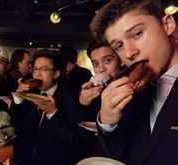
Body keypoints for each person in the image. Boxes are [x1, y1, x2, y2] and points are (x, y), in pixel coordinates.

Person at [90, 0, 178, 164]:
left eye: (137, 34)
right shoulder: (133, 92)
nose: (129, 53)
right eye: (119, 46)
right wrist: (107, 123)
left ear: (168, 24)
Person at [10, 49, 88, 165]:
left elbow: (74, 139)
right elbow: (15, 123)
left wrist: (53, 113)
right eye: (35, 69)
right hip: (24, 160)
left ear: (56, 74)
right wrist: (19, 97)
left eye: (44, 69)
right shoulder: (30, 93)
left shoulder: (69, 99)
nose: (37, 73)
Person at [79, 40, 122, 121]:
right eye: (96, 64)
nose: (101, 69)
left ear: (121, 61)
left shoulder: (134, 88)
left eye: (107, 60)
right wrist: (84, 103)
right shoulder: (97, 91)